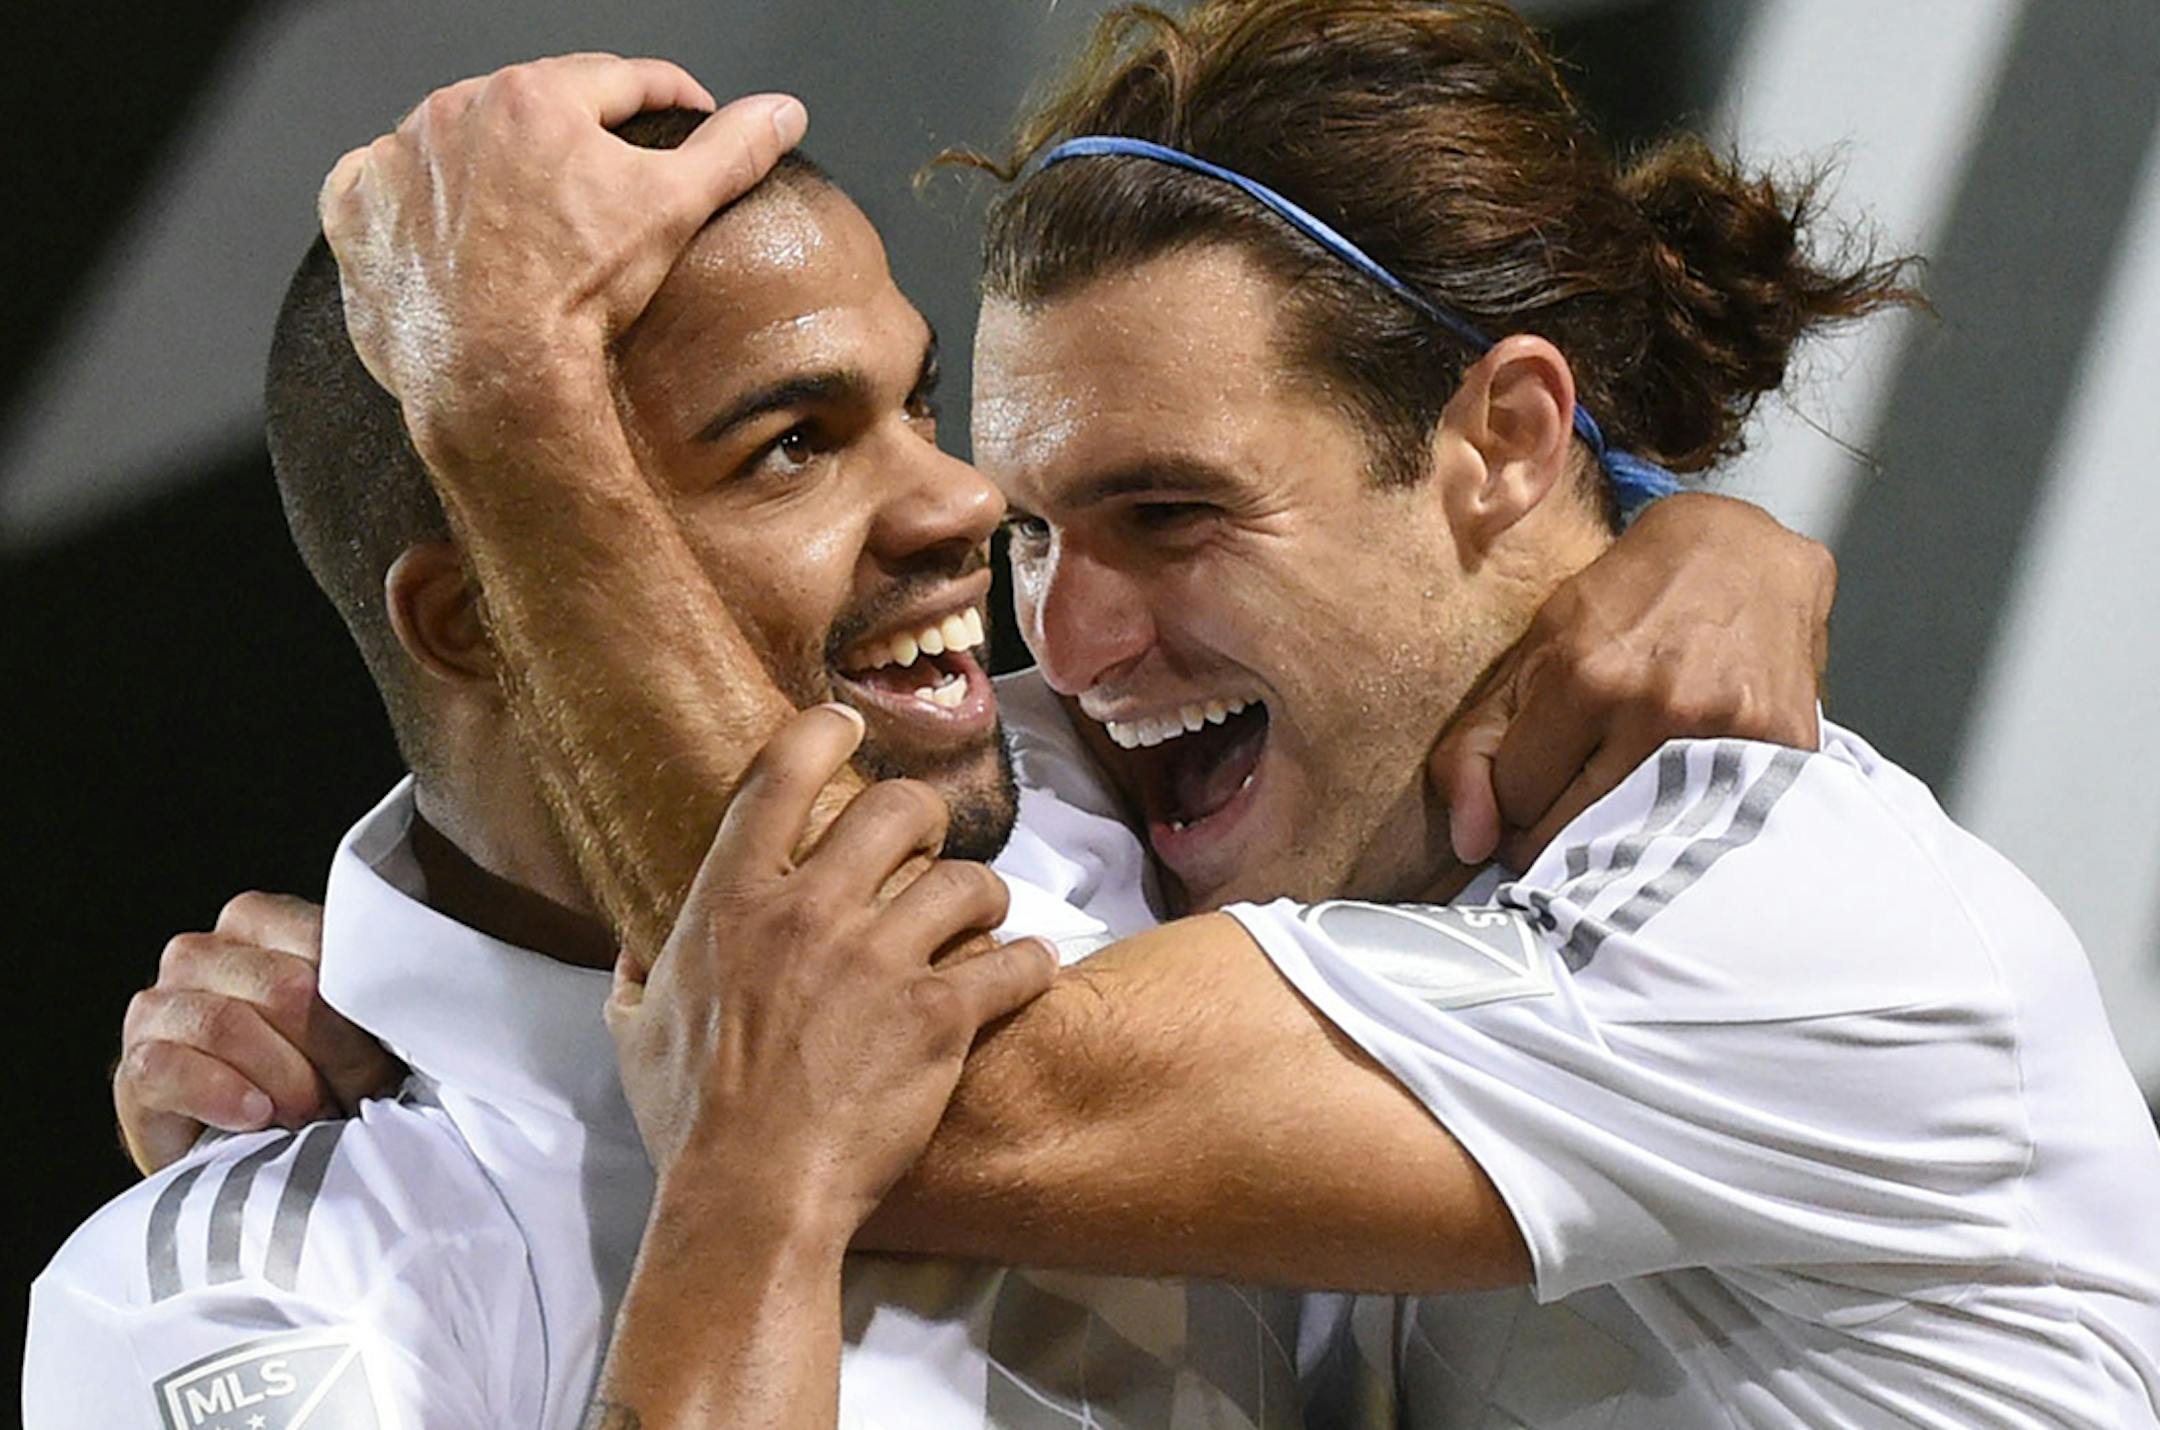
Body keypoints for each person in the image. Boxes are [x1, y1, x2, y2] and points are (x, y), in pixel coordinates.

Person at [267, 1, 2160, 1424]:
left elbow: (873, 1075)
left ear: (1499, 441)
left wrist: (509, 394)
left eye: (1171, 514)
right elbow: (647, 848)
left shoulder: (1777, 900)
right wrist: (386, 972)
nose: (1069, 640)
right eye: (1037, 525)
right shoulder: (1267, 793)